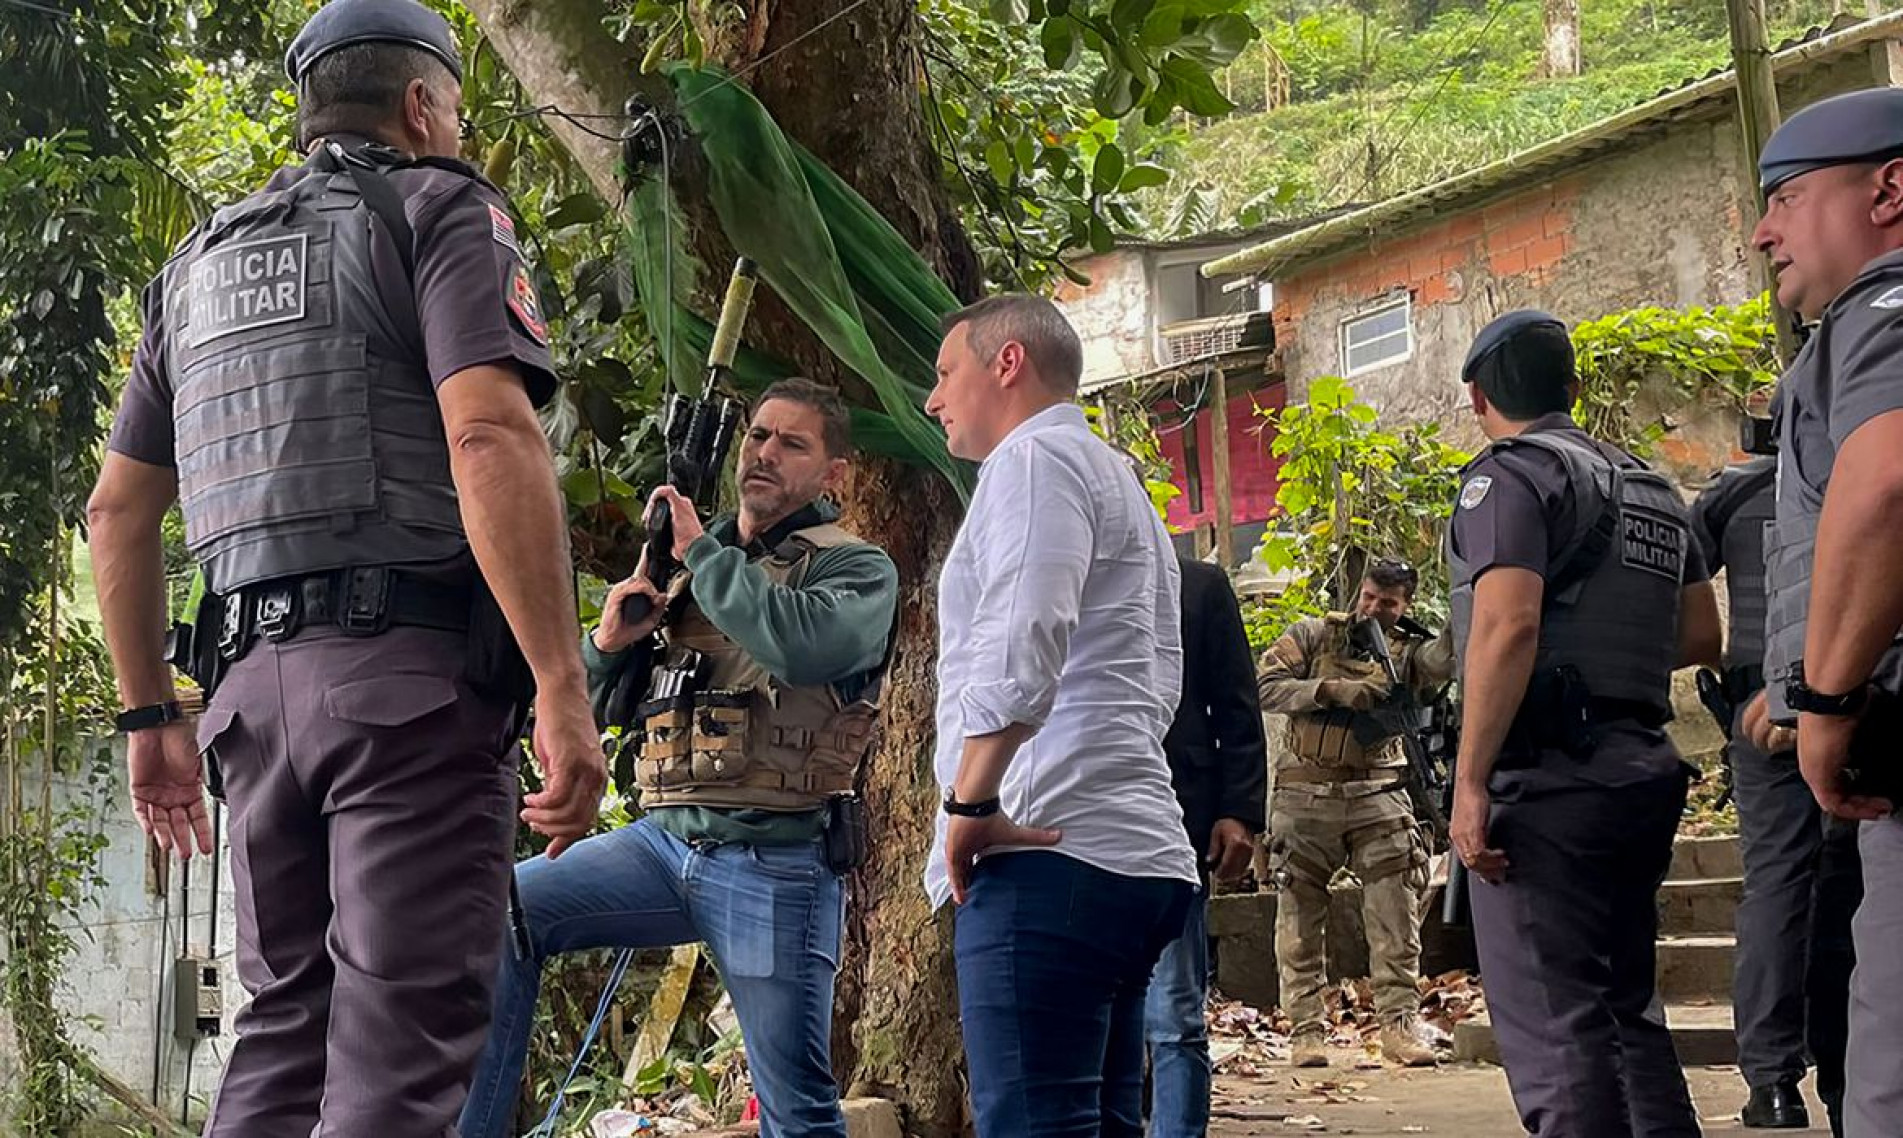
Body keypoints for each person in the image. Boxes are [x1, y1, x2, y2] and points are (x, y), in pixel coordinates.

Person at [84, 0, 607, 1131]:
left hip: (247, 714)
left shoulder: (197, 266)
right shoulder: (438, 208)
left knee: (280, 1033)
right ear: (423, 105)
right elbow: (487, 435)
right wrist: (563, 685)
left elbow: (117, 512)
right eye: (457, 110)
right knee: (400, 1052)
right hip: (405, 697)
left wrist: (146, 720)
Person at [460, 379, 899, 1138]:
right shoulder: (692, 569)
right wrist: (606, 645)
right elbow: (592, 713)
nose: (764, 454)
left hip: (774, 863)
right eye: (758, 436)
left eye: (792, 444)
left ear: (833, 474)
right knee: (503, 912)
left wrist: (698, 548)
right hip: (661, 847)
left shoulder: (854, 570)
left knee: (796, 1110)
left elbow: (801, 645)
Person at [925, 294, 1198, 1137]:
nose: (932, 400)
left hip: (1046, 851)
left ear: (1006, 363)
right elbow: (1159, 677)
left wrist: (970, 803)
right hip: (1134, 854)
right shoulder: (1115, 476)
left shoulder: (1034, 462)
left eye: (944, 374)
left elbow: (1023, 632)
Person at [1445, 309, 1721, 1138]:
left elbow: (1506, 627)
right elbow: (1703, 637)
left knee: (1556, 1028)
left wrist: (1466, 782)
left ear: (1476, 396)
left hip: (1546, 781)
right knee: (1625, 1015)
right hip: (1639, 768)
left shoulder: (1509, 479)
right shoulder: (1649, 486)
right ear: (1571, 388)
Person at [1748, 85, 1903, 1138]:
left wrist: (1825, 695)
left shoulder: (1883, 313)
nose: (1763, 231)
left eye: (1787, 197)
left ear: (1888, 188)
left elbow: (1887, 476)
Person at [1693, 449, 1862, 1133]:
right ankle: (1850, 1076)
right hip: (1856, 695)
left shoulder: (1734, 491)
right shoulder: (1870, 462)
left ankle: (1771, 1086)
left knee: (1776, 889)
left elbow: (1669, 572)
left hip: (1763, 706)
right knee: (1854, 885)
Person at [1256, 559, 1453, 1069]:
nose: (1374, 609)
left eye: (1388, 603)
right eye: (1369, 597)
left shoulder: (1407, 651)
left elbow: (1442, 663)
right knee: (1299, 918)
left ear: (1405, 605)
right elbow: (1265, 686)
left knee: (1395, 917)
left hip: (1379, 794)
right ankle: (1306, 1031)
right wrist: (1332, 692)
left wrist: (1465, 615)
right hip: (1305, 796)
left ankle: (1399, 1026)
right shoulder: (1313, 635)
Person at [1145, 555, 1268, 1137]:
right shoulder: (1059, 572)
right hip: (1078, 823)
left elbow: (1237, 705)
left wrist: (1239, 811)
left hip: (1179, 810)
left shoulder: (1198, 584)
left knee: (1174, 1011)